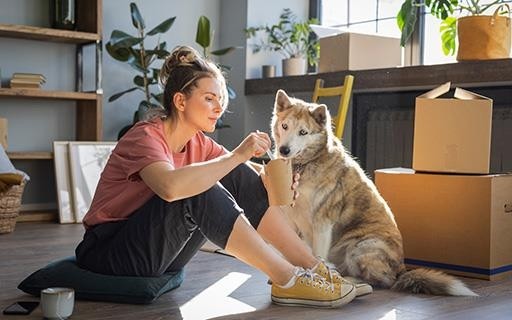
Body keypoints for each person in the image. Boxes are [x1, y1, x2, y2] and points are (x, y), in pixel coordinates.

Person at [75, 45, 359, 308]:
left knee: (233, 173)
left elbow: (245, 175)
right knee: (200, 186)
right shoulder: (145, 137)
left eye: (220, 100)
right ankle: (286, 278)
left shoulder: (199, 142)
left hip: (158, 251)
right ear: (180, 101)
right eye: (209, 99)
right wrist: (237, 155)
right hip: (110, 249)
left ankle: (311, 266)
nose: (218, 107)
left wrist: (273, 176)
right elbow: (170, 188)